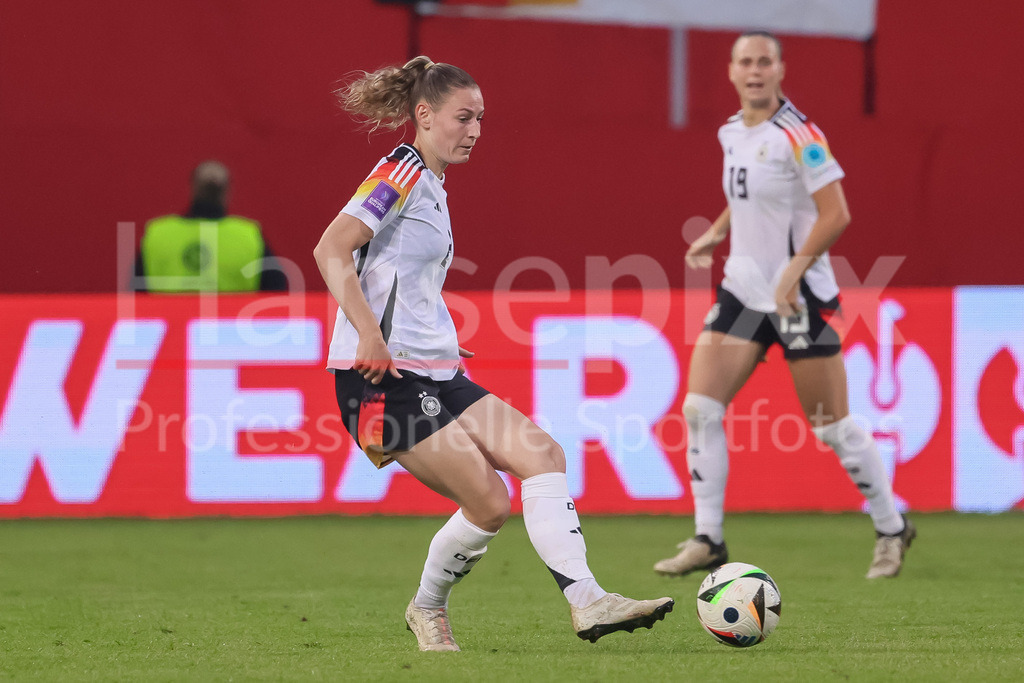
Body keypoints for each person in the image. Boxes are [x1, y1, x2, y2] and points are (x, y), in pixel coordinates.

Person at [314, 56, 673, 652]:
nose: (475, 130)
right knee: (488, 501)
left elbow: (398, 278)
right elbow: (331, 248)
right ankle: (427, 609)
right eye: (464, 117)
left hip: (433, 367)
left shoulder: (429, 183)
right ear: (423, 115)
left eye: (481, 118)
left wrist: (437, 335)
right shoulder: (398, 171)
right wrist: (370, 336)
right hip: (380, 378)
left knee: (543, 453)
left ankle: (589, 602)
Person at [654, 31, 916, 580]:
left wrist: (793, 271)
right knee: (699, 409)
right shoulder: (731, 132)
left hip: (797, 297)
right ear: (730, 71)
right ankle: (709, 538)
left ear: (780, 70)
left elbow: (836, 213)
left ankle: (893, 526)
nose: (754, 71)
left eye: (764, 62)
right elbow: (744, 193)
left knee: (830, 426)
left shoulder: (801, 135)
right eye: (745, 62)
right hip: (744, 291)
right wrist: (717, 232)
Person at [133, 160, 288, 292]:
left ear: (192, 187)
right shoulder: (248, 236)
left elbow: (135, 292)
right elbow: (276, 290)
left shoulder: (158, 233)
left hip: (171, 325)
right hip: (231, 325)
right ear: (227, 192)